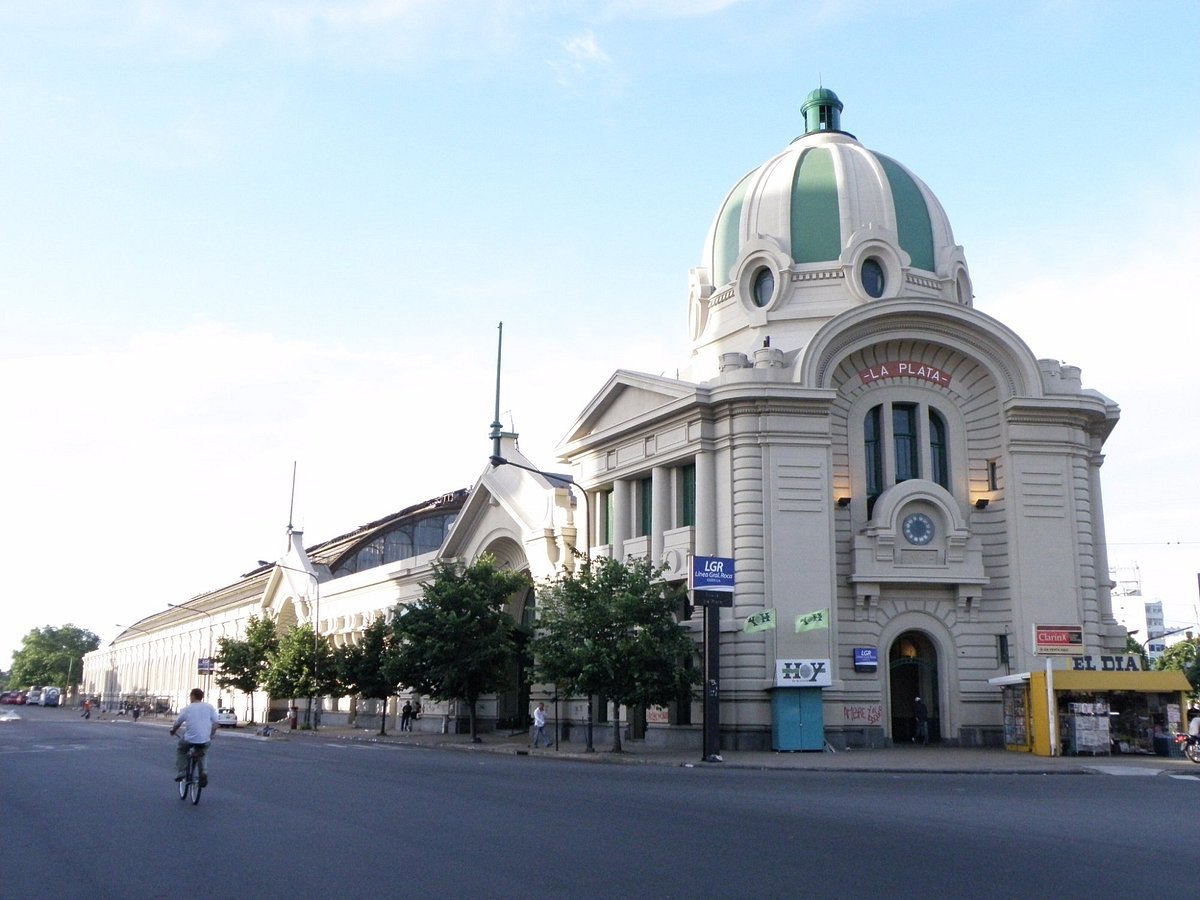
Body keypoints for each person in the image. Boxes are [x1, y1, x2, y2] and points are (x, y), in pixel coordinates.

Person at [170, 688, 219, 787]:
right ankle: (203, 772)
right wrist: (211, 734)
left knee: (181, 749)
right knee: (203, 753)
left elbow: (178, 723)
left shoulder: (187, 709)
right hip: (205, 739)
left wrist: (173, 731)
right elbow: (216, 723)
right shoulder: (209, 707)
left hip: (189, 739)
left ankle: (182, 771)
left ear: (192, 696)